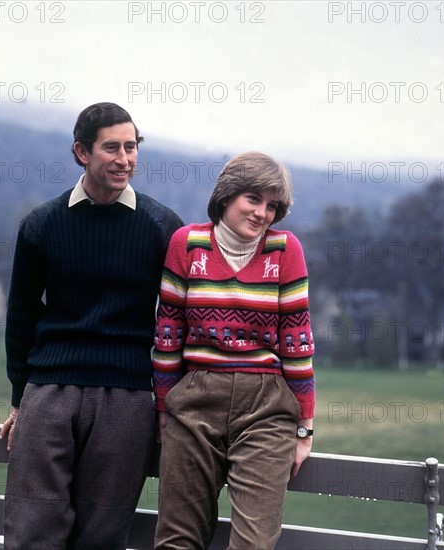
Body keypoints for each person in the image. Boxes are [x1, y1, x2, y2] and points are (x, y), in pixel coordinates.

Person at [0, 102, 183, 549]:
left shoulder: (162, 228)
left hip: (127, 398)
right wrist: (21, 398)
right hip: (49, 392)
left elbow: (177, 322)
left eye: (132, 147)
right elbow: (21, 315)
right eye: (112, 148)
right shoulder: (42, 224)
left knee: (101, 537)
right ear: (81, 152)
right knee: (30, 531)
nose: (125, 159)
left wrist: (166, 403)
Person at [152, 151, 315, 549]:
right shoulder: (187, 244)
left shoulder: (284, 249)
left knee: (253, 543)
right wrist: (164, 407)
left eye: (272, 205)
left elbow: (297, 340)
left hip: (266, 406)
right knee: (177, 539)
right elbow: (168, 334)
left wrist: (305, 426)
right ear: (227, 195)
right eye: (253, 199)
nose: (262, 213)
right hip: (193, 403)